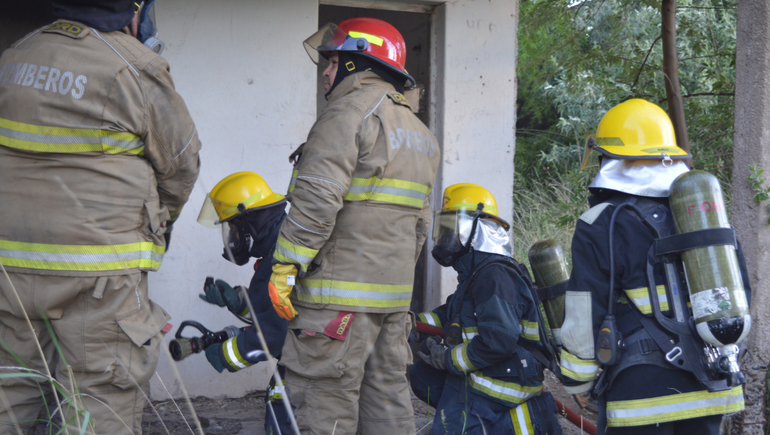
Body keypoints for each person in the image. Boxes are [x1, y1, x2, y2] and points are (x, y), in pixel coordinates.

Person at [0, 1, 201, 433]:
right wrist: (157, 223)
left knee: (9, 390)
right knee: (101, 397)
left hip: (9, 271)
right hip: (101, 278)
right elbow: (181, 165)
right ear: (133, 10)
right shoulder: (135, 66)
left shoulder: (13, 56)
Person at [267, 17, 441, 434]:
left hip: (335, 302)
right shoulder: (420, 134)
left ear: (356, 62)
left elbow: (317, 199)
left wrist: (286, 266)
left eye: (332, 61)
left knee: (323, 403)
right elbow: (420, 223)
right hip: (392, 303)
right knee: (387, 402)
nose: (325, 71)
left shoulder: (346, 114)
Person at [559, 99, 750, 434]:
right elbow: (739, 288)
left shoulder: (600, 221)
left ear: (609, 159)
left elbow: (584, 307)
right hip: (714, 379)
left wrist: (576, 380)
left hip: (643, 394)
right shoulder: (702, 212)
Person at [411, 183, 562, 435]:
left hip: (503, 378)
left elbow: (499, 342)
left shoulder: (494, 275)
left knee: (448, 428)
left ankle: (528, 419)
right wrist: (410, 324)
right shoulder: (476, 271)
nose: (445, 237)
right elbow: (452, 314)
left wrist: (448, 359)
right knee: (423, 376)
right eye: (444, 228)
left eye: (452, 228)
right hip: (489, 369)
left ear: (476, 229)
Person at [196, 171, 294, 435]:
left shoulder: (280, 257)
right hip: (313, 351)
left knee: (281, 404)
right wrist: (237, 300)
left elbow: (274, 335)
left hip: (309, 357)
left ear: (249, 223)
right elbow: (281, 307)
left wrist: (226, 354)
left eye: (233, 228)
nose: (231, 238)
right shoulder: (280, 243)